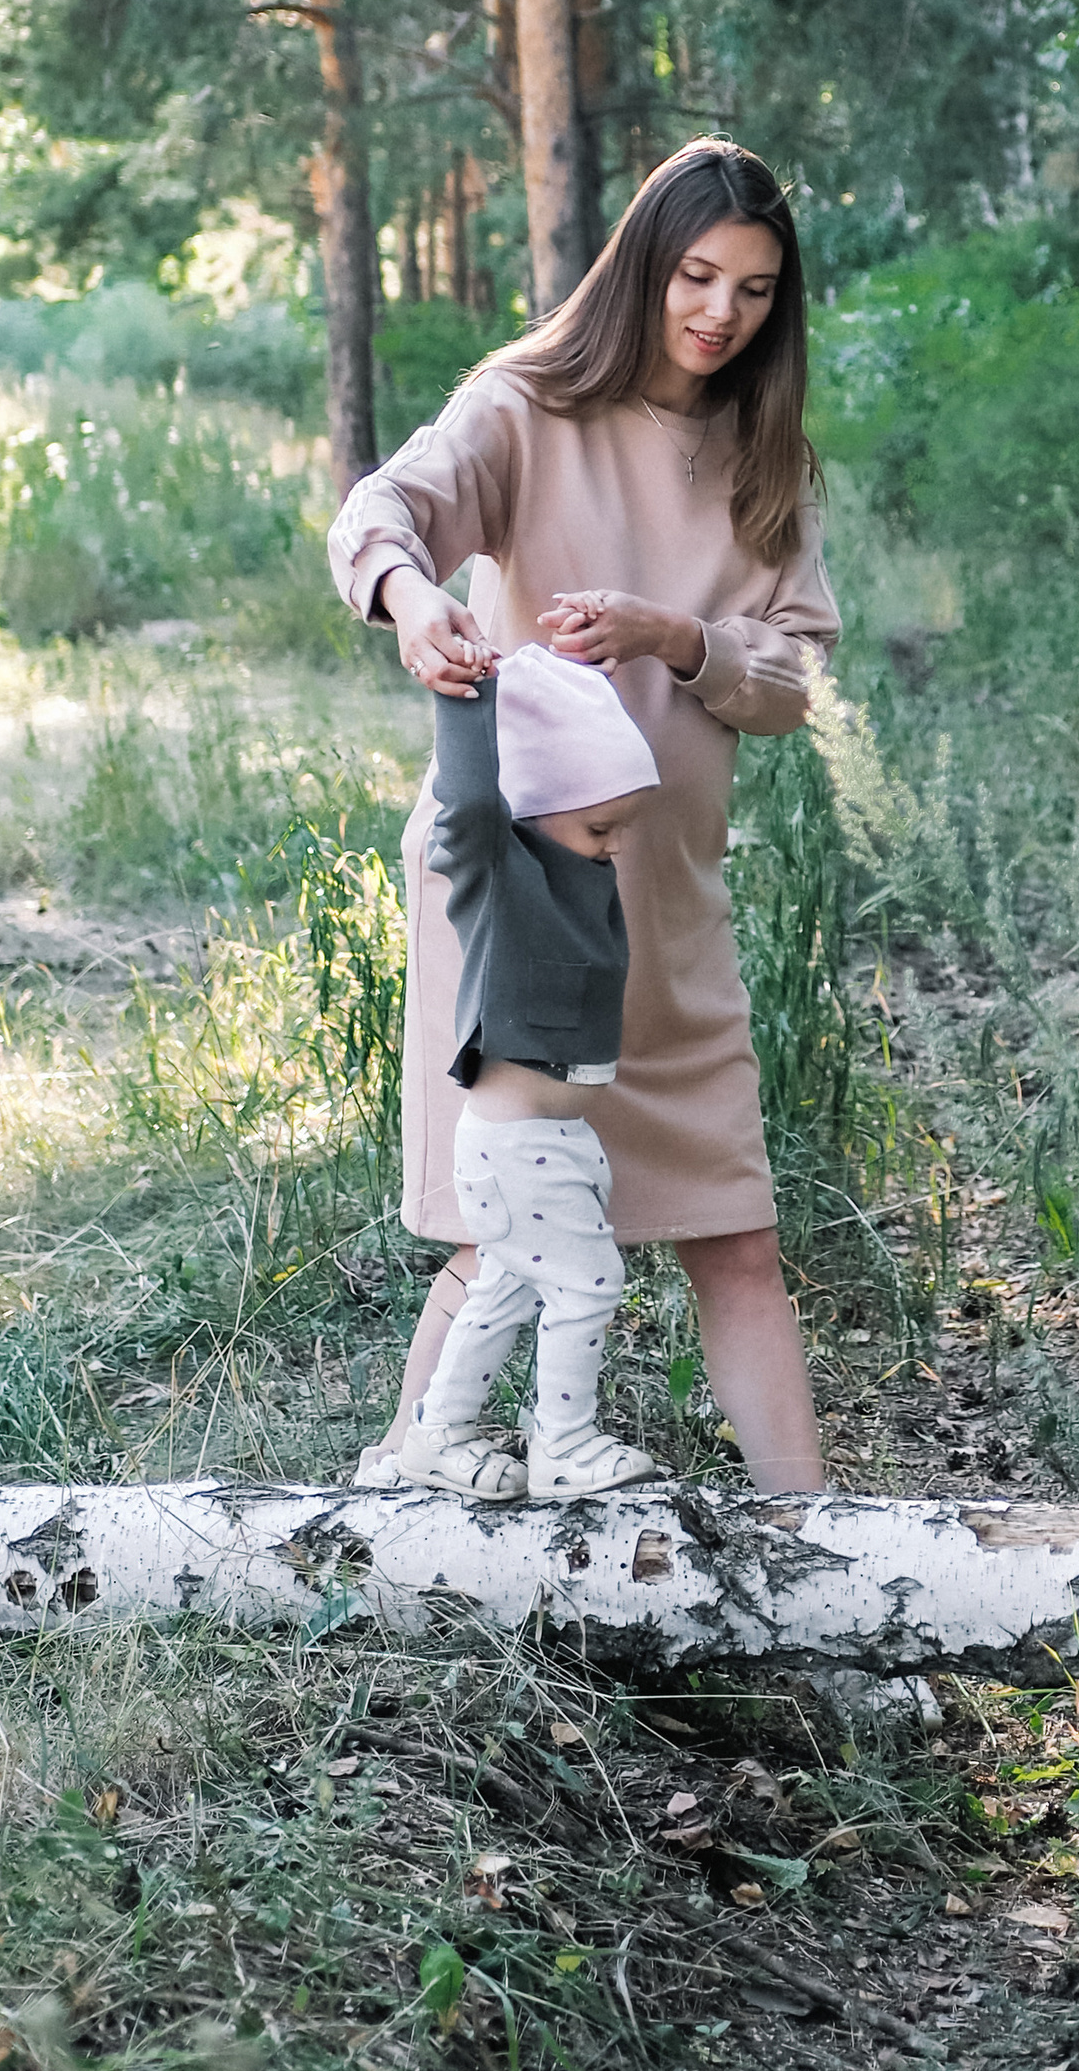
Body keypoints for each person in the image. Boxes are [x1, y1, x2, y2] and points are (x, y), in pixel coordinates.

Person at [329, 138, 839, 1492]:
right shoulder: (525, 405)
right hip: (522, 905)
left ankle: (835, 1562)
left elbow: (794, 681)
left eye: (754, 288)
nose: (721, 311)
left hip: (667, 910)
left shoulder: (764, 459)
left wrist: (680, 637)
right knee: (501, 1238)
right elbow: (384, 508)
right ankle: (394, 1520)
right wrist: (410, 598)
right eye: (695, 273)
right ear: (642, 265)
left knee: (735, 1235)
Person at [394, 642, 663, 1503]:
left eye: (623, 824)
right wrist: (470, 696)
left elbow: (578, 755)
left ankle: (437, 1437)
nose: (615, 844)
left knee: (505, 1291)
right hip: (517, 1145)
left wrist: (588, 691)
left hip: (556, 1141)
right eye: (599, 826)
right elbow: (472, 799)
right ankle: (565, 1443)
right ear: (536, 808)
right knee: (589, 1285)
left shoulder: (579, 870)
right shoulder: (498, 873)